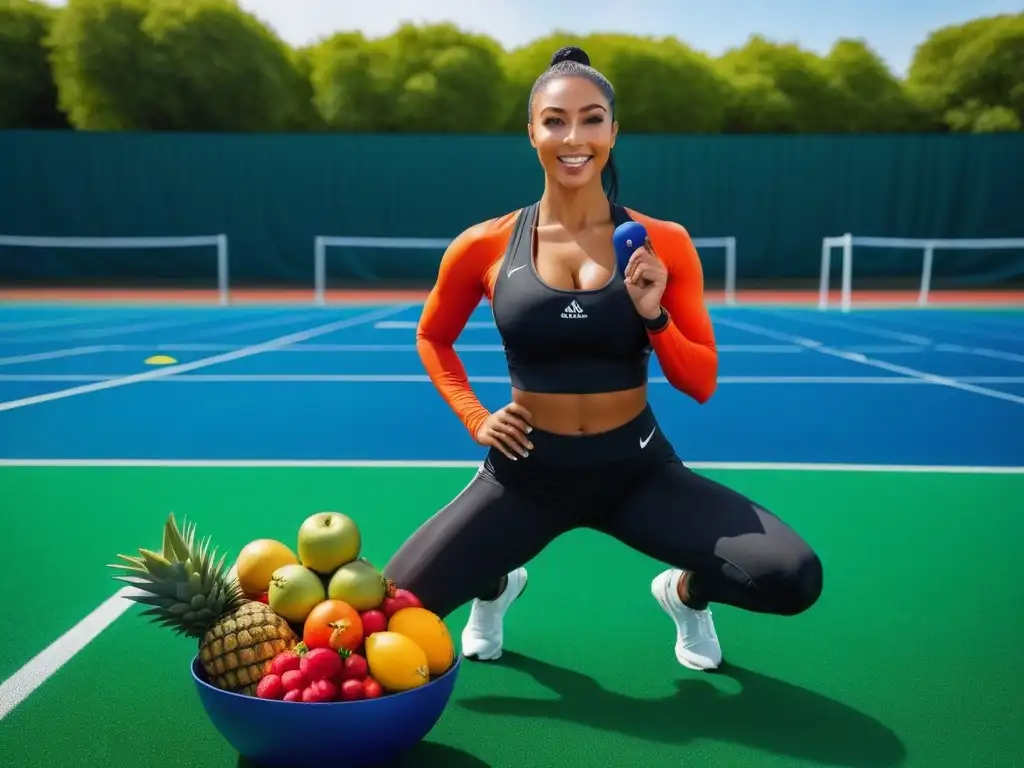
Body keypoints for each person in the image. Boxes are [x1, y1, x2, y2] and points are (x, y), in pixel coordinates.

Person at [382, 45, 822, 672]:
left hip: (635, 471)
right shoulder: (483, 244)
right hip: (525, 474)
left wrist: (654, 314)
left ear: (613, 132)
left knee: (793, 577)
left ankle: (684, 594)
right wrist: (475, 416)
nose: (573, 137)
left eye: (592, 119)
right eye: (555, 120)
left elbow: (700, 382)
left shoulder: (664, 242)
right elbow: (432, 337)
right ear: (531, 131)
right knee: (392, 617)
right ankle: (495, 582)